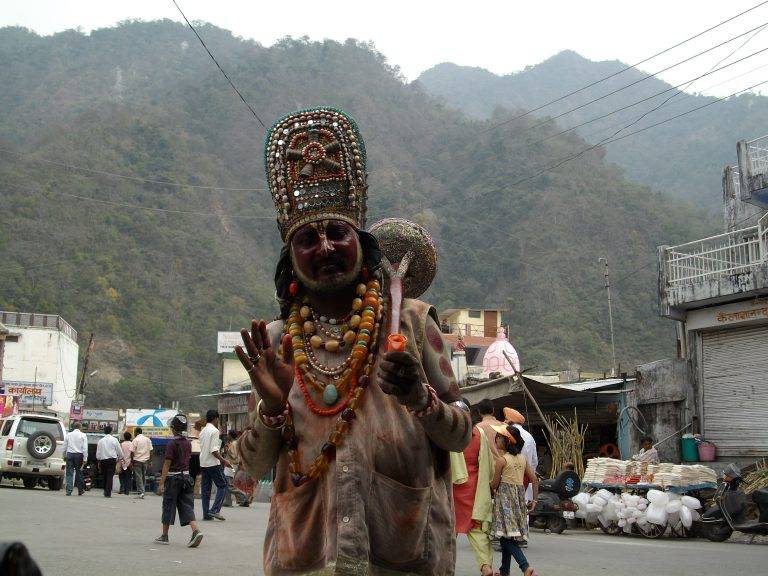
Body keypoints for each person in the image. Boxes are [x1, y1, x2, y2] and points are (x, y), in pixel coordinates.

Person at [235, 108, 471, 574]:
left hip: (403, 558)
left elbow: (461, 433)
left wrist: (419, 398)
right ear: (291, 258)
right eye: (308, 238)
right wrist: (273, 407)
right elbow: (249, 469)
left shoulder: (413, 323)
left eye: (338, 233)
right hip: (305, 560)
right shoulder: (277, 343)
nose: (325, 247)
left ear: (360, 243)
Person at [452, 399, 497, 576]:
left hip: (453, 487)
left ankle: (445, 567)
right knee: (476, 528)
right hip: (474, 488)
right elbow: (489, 464)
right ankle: (485, 566)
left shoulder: (447, 433)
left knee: (449, 529)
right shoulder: (479, 433)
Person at [491, 425, 540, 576]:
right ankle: (504, 570)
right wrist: (534, 500)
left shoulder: (502, 460)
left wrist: (487, 485)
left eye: (499, 437)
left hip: (504, 501)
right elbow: (534, 479)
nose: (496, 439)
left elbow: (494, 484)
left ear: (507, 441)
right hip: (518, 499)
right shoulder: (522, 459)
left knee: (505, 537)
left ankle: (525, 567)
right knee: (507, 534)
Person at [155, 413, 203, 548]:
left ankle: (164, 535)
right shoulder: (188, 443)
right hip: (186, 478)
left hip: (173, 479)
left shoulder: (172, 444)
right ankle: (196, 530)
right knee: (186, 506)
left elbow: (167, 464)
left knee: (168, 506)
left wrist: (161, 483)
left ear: (173, 428)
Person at [198, 409, 230, 521]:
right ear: (216, 418)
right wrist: (224, 461)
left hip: (203, 463)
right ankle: (215, 510)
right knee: (223, 485)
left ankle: (206, 514)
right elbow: (214, 450)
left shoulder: (202, 431)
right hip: (213, 463)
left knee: (206, 489)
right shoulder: (215, 431)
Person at [503, 407, 538, 505]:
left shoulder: (508, 434)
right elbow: (534, 461)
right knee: (522, 506)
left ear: (510, 421)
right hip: (526, 478)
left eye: (506, 419)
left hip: (510, 479)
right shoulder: (530, 436)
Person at [95, 425, 123, 498]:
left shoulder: (101, 441)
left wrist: (98, 460)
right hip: (112, 460)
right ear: (111, 431)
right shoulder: (114, 440)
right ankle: (108, 492)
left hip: (103, 460)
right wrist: (121, 457)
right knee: (110, 476)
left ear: (104, 432)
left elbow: (98, 452)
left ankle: (105, 490)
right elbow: (119, 450)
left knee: (105, 475)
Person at [222, 430, 249, 506]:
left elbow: (234, 456)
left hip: (231, 465)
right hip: (229, 465)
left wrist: (228, 450)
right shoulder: (233, 443)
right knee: (227, 484)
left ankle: (243, 497)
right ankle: (228, 501)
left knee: (228, 485)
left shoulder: (234, 444)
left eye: (228, 434)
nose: (227, 436)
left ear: (230, 436)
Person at [62, 421, 88, 496]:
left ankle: (69, 491)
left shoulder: (68, 434)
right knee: (79, 472)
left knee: (69, 473)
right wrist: (85, 458)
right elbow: (85, 448)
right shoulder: (83, 435)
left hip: (69, 454)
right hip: (79, 455)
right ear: (80, 427)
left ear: (74, 427)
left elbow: (64, 446)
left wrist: (63, 455)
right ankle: (80, 490)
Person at [131, 426, 153, 499]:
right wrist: (150, 461)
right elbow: (151, 451)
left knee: (138, 477)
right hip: (146, 461)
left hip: (137, 460)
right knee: (143, 476)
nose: (134, 434)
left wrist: (132, 461)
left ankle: (141, 492)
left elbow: (132, 452)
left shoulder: (135, 440)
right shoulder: (148, 439)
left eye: (134, 432)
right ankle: (143, 492)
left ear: (136, 432)